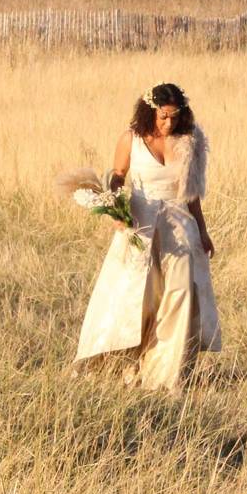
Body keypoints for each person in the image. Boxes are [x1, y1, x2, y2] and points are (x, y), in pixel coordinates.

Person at [72, 83, 221, 393]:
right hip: (139, 225)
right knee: (138, 297)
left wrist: (203, 231)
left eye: (175, 117)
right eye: (164, 117)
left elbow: (192, 194)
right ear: (151, 111)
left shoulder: (189, 142)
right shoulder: (132, 139)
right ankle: (126, 362)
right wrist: (114, 207)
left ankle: (166, 373)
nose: (170, 124)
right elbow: (118, 173)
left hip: (180, 227)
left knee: (181, 294)